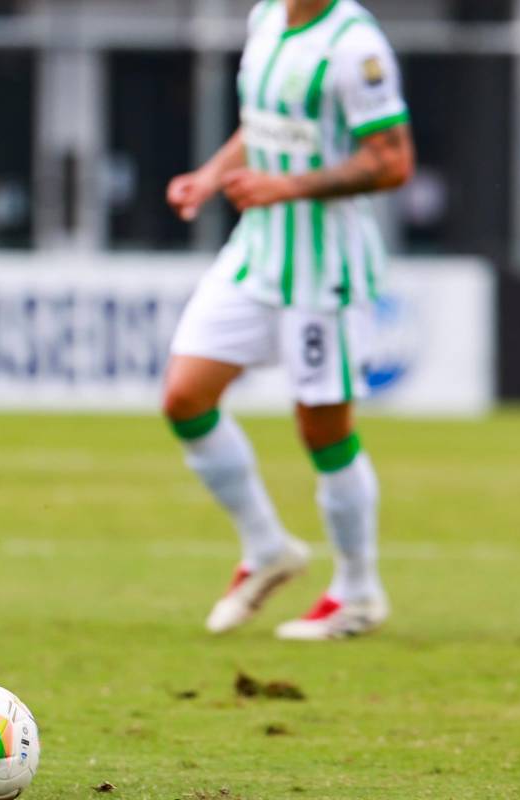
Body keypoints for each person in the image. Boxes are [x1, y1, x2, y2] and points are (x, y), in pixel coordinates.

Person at [163, 0, 414, 640]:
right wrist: (213, 175)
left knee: (322, 429)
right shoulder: (266, 17)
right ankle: (267, 547)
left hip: (323, 269)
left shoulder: (355, 45)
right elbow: (265, 126)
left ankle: (358, 592)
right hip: (256, 254)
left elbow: (391, 161)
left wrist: (287, 187)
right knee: (186, 396)